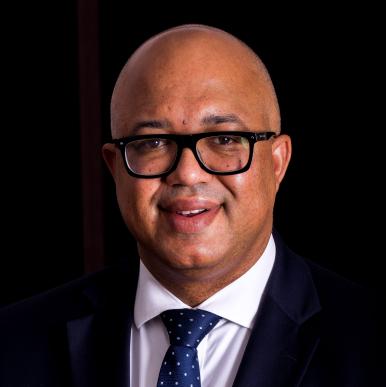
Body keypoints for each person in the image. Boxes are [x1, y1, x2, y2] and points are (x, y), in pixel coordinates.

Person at [0, 24, 381, 387]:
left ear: (277, 161)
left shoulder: (368, 341)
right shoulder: (14, 344)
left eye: (225, 139)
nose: (188, 173)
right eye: (152, 143)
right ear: (115, 168)